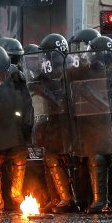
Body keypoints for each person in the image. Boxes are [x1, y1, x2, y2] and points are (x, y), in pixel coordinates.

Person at [65, 35, 112, 214]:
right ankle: (101, 201)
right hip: (92, 122)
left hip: (109, 122)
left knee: (106, 159)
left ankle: (106, 201)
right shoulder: (87, 71)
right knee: (102, 158)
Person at [23, 33, 78, 213]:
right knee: (49, 159)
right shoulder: (47, 73)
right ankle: (56, 197)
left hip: (66, 124)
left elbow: (62, 99)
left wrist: (45, 91)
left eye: (47, 54)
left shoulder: (68, 71)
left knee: (57, 160)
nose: (44, 59)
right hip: (51, 122)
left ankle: (67, 199)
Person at [0, 45, 33, 215]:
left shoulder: (16, 78)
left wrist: (27, 126)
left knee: (19, 156)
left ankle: (16, 195)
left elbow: (27, 104)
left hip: (11, 126)